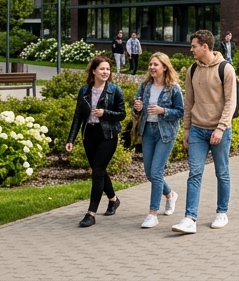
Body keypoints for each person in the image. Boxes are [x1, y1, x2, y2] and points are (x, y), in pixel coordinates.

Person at [172, 30, 238, 234]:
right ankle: (189, 218)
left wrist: (220, 128)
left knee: (222, 172)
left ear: (205, 47)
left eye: (193, 46)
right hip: (197, 131)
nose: (191, 49)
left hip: (220, 131)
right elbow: (189, 102)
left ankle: (221, 212)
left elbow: (231, 102)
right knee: (194, 174)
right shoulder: (192, 70)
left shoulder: (226, 69)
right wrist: (186, 129)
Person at [65, 55, 126, 227]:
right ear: (93, 71)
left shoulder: (115, 90)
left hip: (108, 136)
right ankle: (113, 199)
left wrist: (105, 113)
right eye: (102, 69)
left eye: (107, 69)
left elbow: (122, 114)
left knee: (97, 171)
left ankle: (91, 214)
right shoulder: (84, 90)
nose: (105, 72)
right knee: (99, 170)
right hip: (89, 135)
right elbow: (78, 116)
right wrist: (71, 139)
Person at [132, 53, 183, 228]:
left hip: (165, 133)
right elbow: (137, 109)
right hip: (148, 131)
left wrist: (163, 111)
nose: (152, 67)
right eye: (150, 65)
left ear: (164, 67)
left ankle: (152, 214)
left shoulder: (173, 88)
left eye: (156, 65)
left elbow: (180, 112)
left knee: (156, 172)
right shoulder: (145, 85)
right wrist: (137, 108)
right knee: (149, 173)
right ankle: (170, 195)